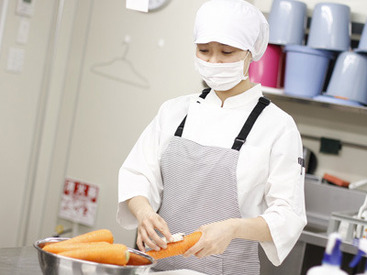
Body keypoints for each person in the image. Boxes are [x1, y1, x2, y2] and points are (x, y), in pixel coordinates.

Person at [117, 0, 307, 274]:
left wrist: (233, 228)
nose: (214, 61)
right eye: (204, 50)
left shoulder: (277, 127)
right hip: (158, 266)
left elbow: (288, 216)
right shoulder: (174, 111)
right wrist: (144, 213)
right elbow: (137, 174)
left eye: (227, 52)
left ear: (250, 53)